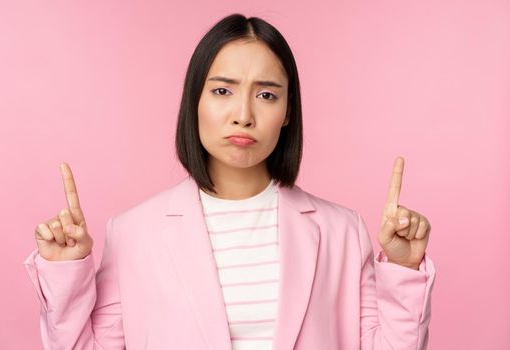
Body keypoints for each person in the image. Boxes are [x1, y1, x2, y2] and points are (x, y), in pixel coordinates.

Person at [24, 13, 436, 350]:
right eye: (222, 90)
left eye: (266, 95)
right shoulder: (133, 233)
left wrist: (402, 268)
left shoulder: (341, 231)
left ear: (288, 112)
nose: (243, 114)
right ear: (195, 101)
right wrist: (66, 273)